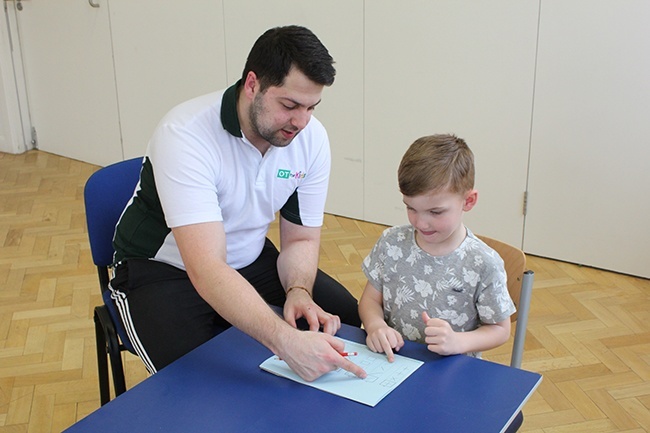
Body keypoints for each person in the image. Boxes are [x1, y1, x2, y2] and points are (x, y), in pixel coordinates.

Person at [109, 25, 366, 382]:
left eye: (311, 107)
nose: (301, 122)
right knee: (197, 388)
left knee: (358, 326)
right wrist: (285, 341)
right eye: (290, 105)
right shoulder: (185, 135)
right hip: (164, 270)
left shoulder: (311, 139)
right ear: (252, 85)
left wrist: (298, 291)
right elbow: (207, 268)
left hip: (248, 257)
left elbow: (302, 240)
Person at [359, 134, 516, 362]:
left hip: (451, 368)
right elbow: (370, 300)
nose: (420, 223)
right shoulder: (391, 242)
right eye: (411, 208)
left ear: (468, 201)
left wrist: (458, 342)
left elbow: (500, 330)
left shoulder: (483, 262)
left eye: (435, 212)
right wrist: (375, 326)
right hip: (393, 362)